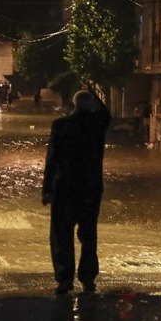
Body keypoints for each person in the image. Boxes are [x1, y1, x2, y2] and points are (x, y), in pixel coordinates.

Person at [42, 88, 111, 295]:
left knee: (61, 235)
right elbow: (106, 113)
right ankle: (88, 278)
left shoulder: (61, 125)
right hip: (90, 188)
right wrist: (91, 90)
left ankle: (64, 279)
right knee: (89, 235)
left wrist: (46, 189)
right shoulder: (96, 125)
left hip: (64, 187)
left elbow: (51, 158)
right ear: (90, 105)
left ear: (73, 105)